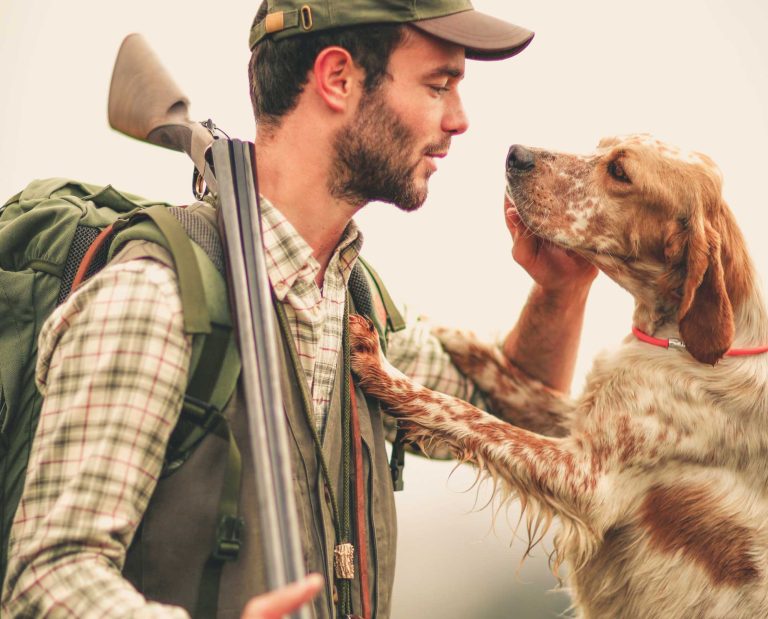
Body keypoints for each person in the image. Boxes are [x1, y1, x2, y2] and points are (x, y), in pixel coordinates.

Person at [1, 1, 597, 617]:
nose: (460, 119)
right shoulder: (155, 297)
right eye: (438, 85)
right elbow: (47, 578)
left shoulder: (353, 305)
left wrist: (562, 290)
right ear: (338, 78)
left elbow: (514, 414)